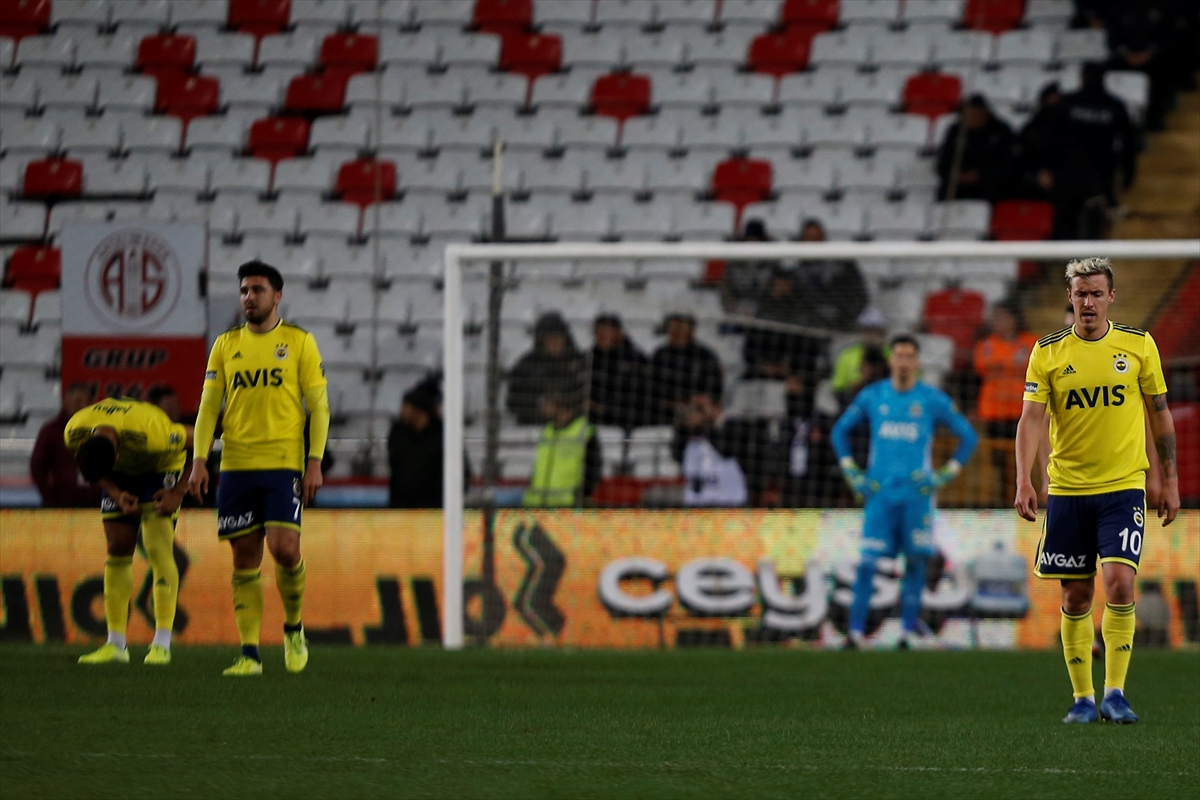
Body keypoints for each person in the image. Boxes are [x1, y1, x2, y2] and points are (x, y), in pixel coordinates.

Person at [1015, 258, 1179, 725]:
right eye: (1079, 293)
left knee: (1120, 582)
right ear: (1069, 297)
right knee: (1076, 599)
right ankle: (1083, 697)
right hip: (1068, 491)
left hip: (1123, 488)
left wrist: (1169, 479)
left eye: (1095, 293)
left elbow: (1160, 413)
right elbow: (1029, 420)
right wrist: (1024, 478)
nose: (1087, 301)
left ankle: (1116, 693)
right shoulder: (1047, 352)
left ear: (1111, 297)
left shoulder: (1139, 345)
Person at [187, 260, 330, 677]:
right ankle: (249, 653)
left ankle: (293, 628)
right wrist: (199, 461)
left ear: (277, 296)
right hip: (236, 465)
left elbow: (318, 406)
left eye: (258, 290)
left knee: (285, 551)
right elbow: (208, 407)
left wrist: (314, 461)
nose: (250, 297)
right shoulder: (225, 345)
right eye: (245, 291)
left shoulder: (299, 342)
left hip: (283, 463)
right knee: (244, 558)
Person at [832, 335, 978, 649]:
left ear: (917, 362)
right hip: (880, 495)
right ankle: (855, 633)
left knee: (916, 563)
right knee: (868, 563)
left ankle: (907, 633)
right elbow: (839, 432)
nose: (903, 362)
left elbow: (968, 437)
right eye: (898, 355)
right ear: (890, 361)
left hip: (917, 496)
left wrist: (944, 475)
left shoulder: (931, 399)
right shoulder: (873, 396)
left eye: (909, 356)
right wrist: (852, 473)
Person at [64, 398, 193, 665]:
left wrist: (178, 492)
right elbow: (88, 464)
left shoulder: (153, 433)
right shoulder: (74, 430)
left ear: (118, 455)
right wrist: (114, 492)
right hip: (120, 475)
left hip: (160, 466)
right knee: (117, 547)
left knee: (157, 547)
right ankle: (115, 645)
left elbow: (202, 440)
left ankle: (162, 644)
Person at [1041, 63, 1137, 239]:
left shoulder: (1066, 103)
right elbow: (1128, 144)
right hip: (1098, 177)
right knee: (1092, 229)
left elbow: (1050, 138)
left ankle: (1068, 264)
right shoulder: (1114, 105)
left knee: (1069, 226)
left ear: (1081, 78)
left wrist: (1046, 167)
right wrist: (1128, 176)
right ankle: (1084, 264)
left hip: (1070, 176)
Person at [975, 302, 1039, 499]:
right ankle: (1004, 497)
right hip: (993, 411)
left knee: (1022, 458)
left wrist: (1001, 365)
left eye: (1004, 317)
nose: (999, 322)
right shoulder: (985, 346)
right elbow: (980, 367)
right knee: (998, 459)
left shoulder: (1032, 343)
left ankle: (1025, 492)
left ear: (1015, 319)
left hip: (1021, 411)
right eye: (996, 318)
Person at [523, 388, 601, 507]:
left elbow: (593, 469)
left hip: (568, 505)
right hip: (537, 503)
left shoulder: (584, 431)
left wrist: (581, 496)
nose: (543, 407)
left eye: (546, 402)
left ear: (558, 404)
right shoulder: (547, 430)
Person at [506, 312, 587, 426]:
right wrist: (540, 406)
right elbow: (513, 401)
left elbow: (593, 396)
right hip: (535, 428)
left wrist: (572, 410)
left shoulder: (581, 362)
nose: (554, 342)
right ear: (540, 340)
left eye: (558, 337)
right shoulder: (527, 365)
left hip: (576, 427)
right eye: (548, 338)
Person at [30, 382, 101, 508]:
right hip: (62, 502)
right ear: (66, 402)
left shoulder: (102, 430)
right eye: (78, 401)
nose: (83, 406)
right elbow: (37, 467)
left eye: (87, 402)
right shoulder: (51, 431)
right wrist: (49, 497)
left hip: (96, 501)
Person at [671, 394, 750, 507]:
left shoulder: (733, 425)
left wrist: (708, 425)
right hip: (698, 501)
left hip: (728, 501)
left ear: (716, 407)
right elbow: (676, 455)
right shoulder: (689, 436)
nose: (698, 414)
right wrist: (685, 427)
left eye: (701, 409)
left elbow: (726, 451)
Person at [936, 94, 1017, 202]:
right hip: (960, 183)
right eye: (969, 115)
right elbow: (943, 163)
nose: (973, 118)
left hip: (990, 183)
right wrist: (956, 175)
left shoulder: (1001, 131)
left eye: (977, 114)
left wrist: (981, 175)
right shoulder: (956, 131)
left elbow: (1009, 163)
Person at [650, 312, 724, 424]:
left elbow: (715, 386)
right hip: (665, 407)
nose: (676, 332)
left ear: (690, 330)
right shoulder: (660, 355)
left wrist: (701, 400)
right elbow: (652, 386)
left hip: (696, 408)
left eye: (680, 327)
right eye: (673, 327)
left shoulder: (704, 355)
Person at [387, 377, 446, 508]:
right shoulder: (398, 432)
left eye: (406, 406)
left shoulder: (443, 436)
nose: (402, 411)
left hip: (433, 510)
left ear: (418, 410)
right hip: (400, 507)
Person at [588, 313, 650, 428]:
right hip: (592, 420)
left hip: (629, 420)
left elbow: (642, 393)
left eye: (607, 332)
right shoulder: (588, 360)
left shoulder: (636, 359)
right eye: (599, 332)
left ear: (619, 333)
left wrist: (605, 408)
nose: (602, 336)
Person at [831, 307, 891, 402]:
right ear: (862, 331)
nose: (872, 335)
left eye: (876, 330)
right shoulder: (847, 356)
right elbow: (838, 388)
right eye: (868, 330)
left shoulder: (894, 354)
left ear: (883, 332)